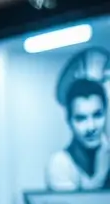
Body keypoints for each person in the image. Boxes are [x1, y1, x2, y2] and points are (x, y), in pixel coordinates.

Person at [47, 48, 110, 191]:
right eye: (81, 118)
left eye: (97, 115)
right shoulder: (60, 163)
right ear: (69, 121)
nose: (91, 126)